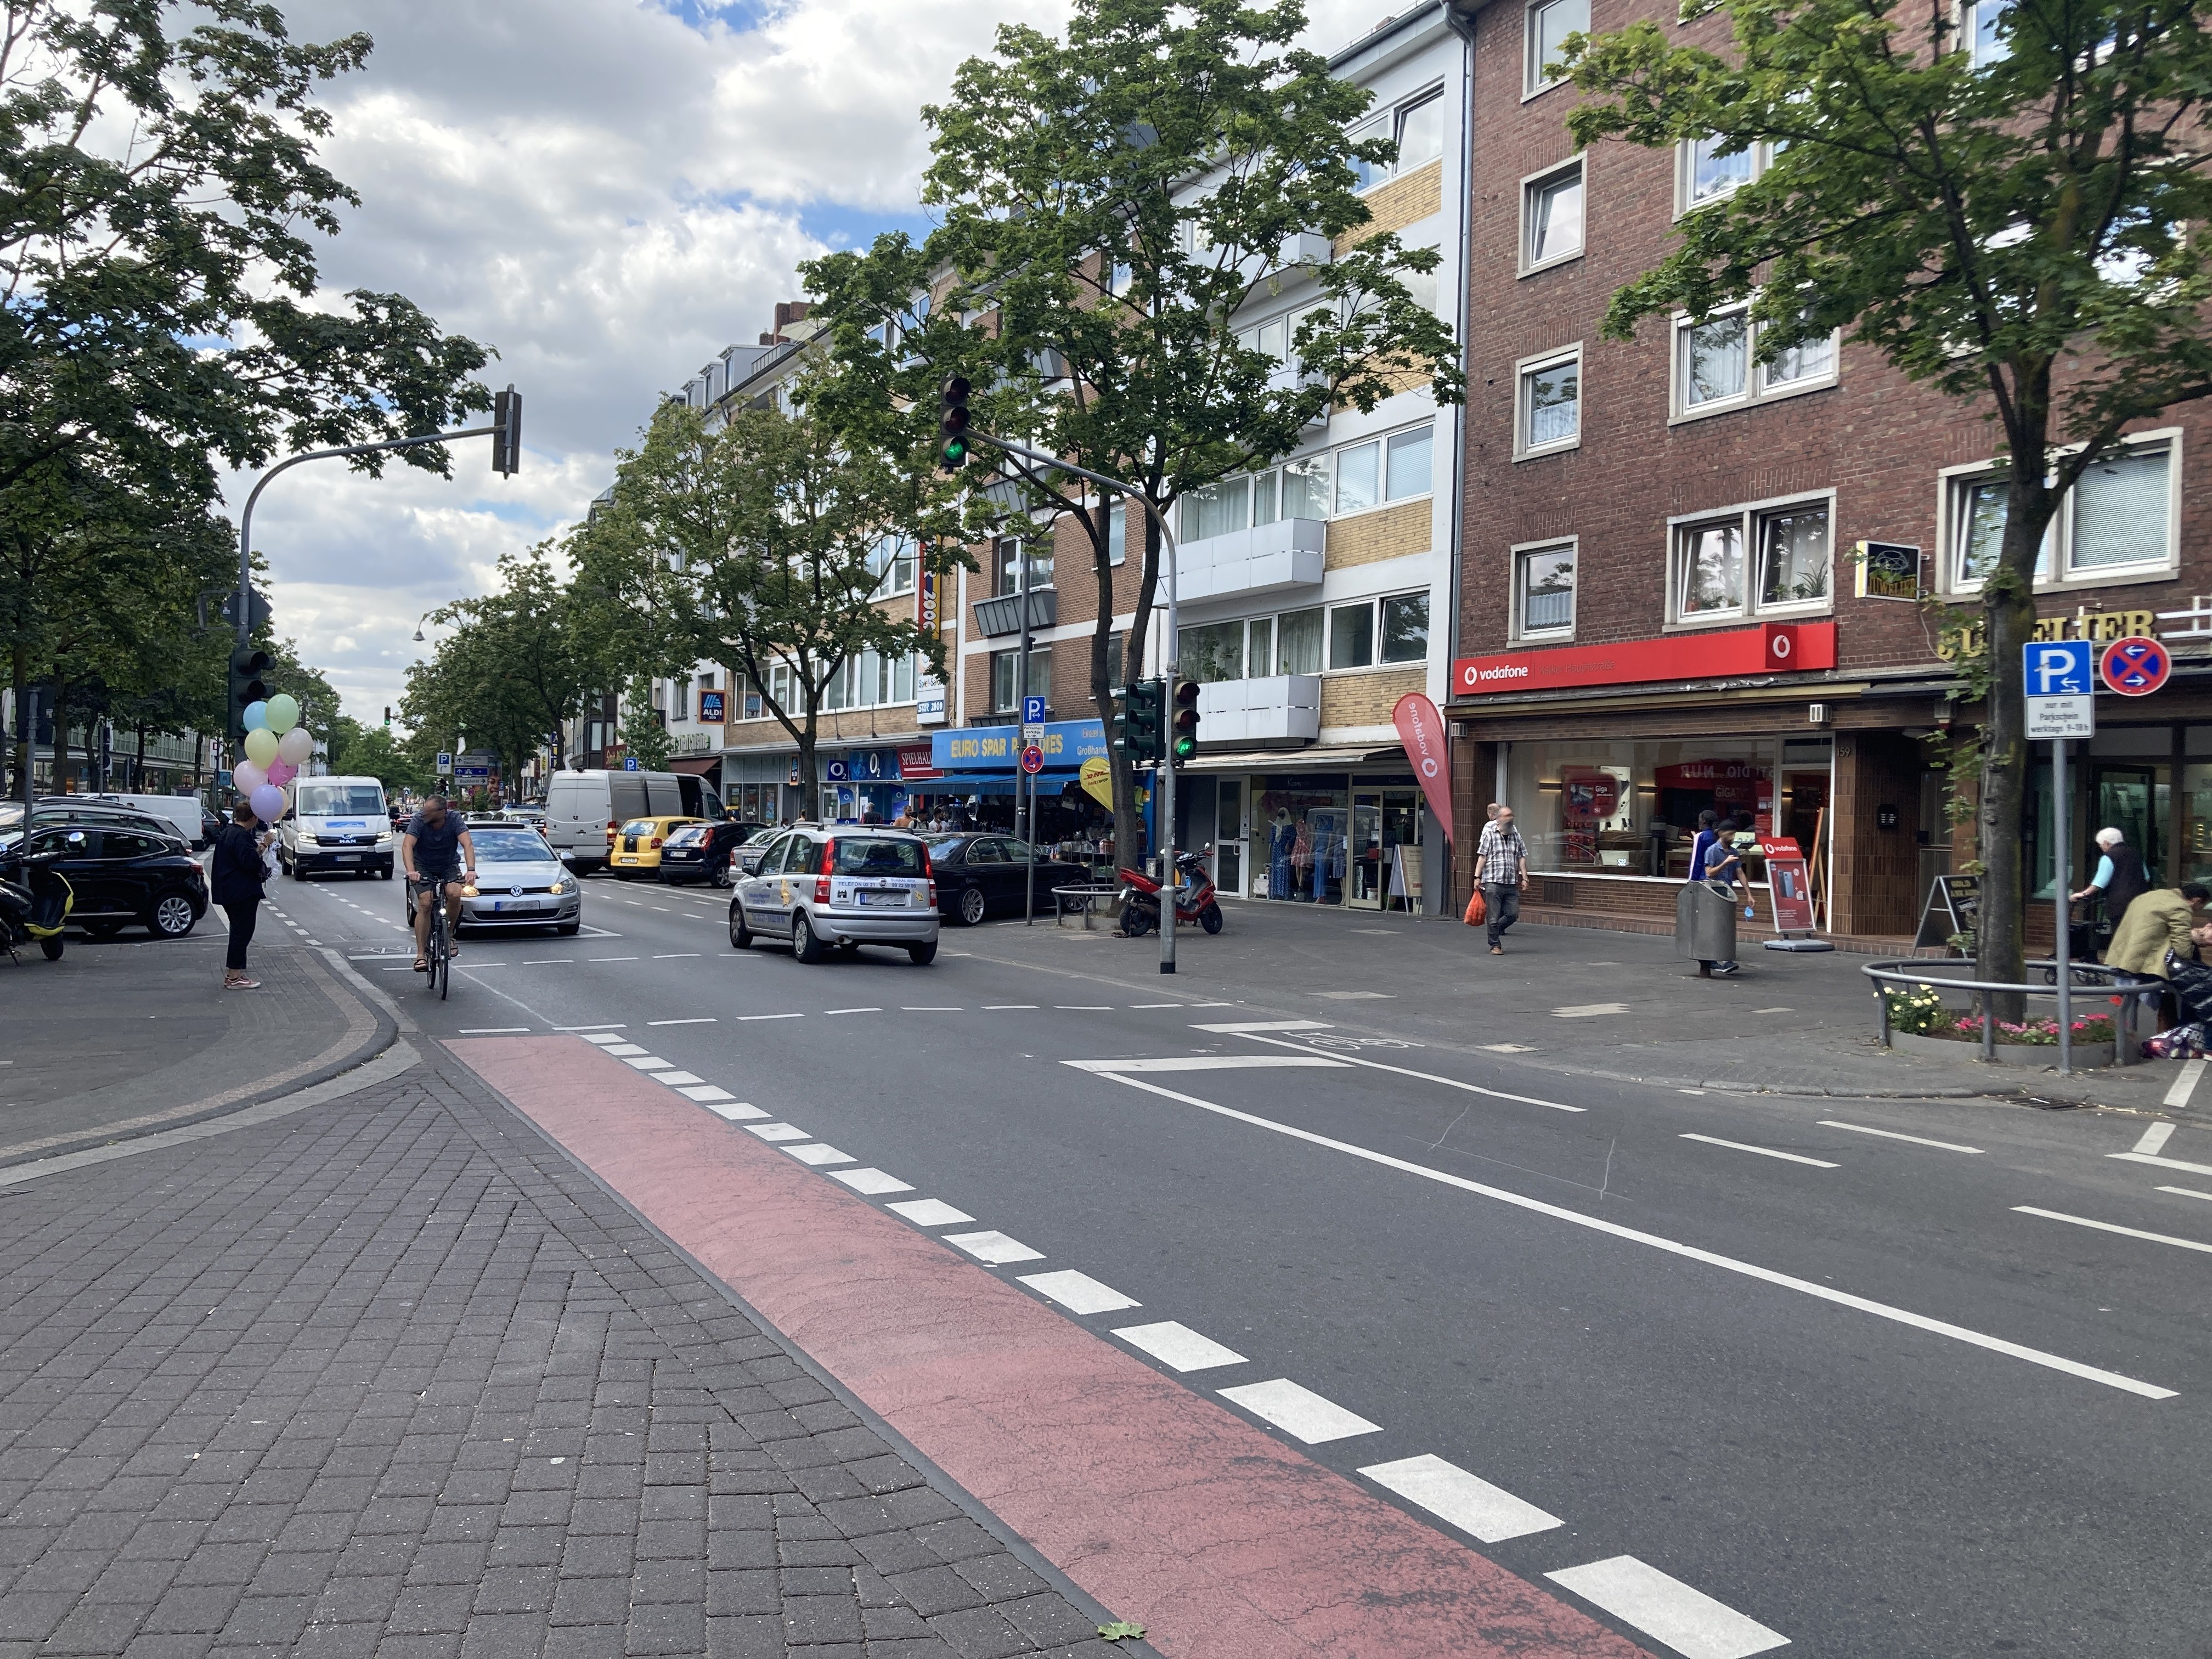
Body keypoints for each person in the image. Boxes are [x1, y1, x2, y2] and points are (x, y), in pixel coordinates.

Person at [2104, 881, 2209, 1034]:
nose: (2197, 911)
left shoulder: (2151, 896)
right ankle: (2183, 1034)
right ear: (2197, 901)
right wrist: (2196, 942)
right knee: (2195, 988)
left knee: (2175, 990)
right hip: (2145, 967)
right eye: (2200, 907)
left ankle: (2168, 1031)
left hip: (2122, 960)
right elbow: (2182, 950)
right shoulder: (2181, 907)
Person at [401, 794, 477, 973]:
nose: (425, 813)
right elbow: (407, 846)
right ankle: (421, 955)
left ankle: (449, 935)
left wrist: (471, 869)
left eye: (429, 811)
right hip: (423, 866)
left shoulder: (454, 819)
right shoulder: (419, 820)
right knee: (426, 901)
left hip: (448, 865)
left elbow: (468, 844)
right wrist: (411, 871)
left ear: (443, 812)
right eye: (425, 809)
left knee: (455, 893)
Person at [209, 800, 269, 990]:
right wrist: (264, 845)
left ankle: (234, 974)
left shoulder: (228, 833)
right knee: (242, 933)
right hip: (241, 892)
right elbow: (250, 861)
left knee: (238, 932)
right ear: (253, 818)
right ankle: (235, 976)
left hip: (229, 890)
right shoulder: (240, 836)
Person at [1699, 816, 1753, 977]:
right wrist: (1725, 863)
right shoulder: (1713, 851)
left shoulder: (1734, 851)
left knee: (1728, 927)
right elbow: (1709, 873)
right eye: (1730, 834)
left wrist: (1749, 894)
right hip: (1714, 893)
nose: (1732, 838)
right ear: (1721, 833)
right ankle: (1711, 961)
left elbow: (1740, 872)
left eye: (1734, 834)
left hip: (1728, 892)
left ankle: (1727, 960)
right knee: (1715, 927)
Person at [2072, 826, 2149, 932]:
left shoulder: (2109, 857)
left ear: (2106, 843)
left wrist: (2083, 894)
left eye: (2100, 845)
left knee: (2119, 936)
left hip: (2119, 906)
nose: (2100, 847)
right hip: (2141, 903)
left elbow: (2100, 883)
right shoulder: (2136, 854)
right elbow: (2147, 878)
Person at [1476, 803, 1528, 955]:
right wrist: (1477, 877)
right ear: (1498, 819)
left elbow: (1521, 857)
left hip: (1511, 882)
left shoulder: (1516, 836)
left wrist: (1525, 878)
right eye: (1507, 816)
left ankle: (1497, 929)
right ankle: (1495, 945)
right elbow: (1482, 857)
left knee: (1513, 914)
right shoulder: (1490, 834)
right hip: (1493, 881)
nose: (1511, 818)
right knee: (1493, 916)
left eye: (1511, 815)